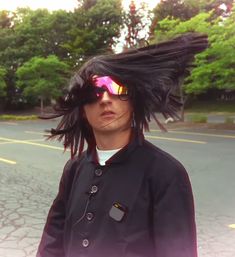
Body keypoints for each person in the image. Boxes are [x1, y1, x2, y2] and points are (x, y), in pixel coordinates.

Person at [36, 33, 208, 257]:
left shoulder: (165, 173)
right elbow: (52, 242)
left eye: (117, 88)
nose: (105, 99)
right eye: (93, 92)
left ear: (133, 101)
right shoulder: (74, 169)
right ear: (82, 110)